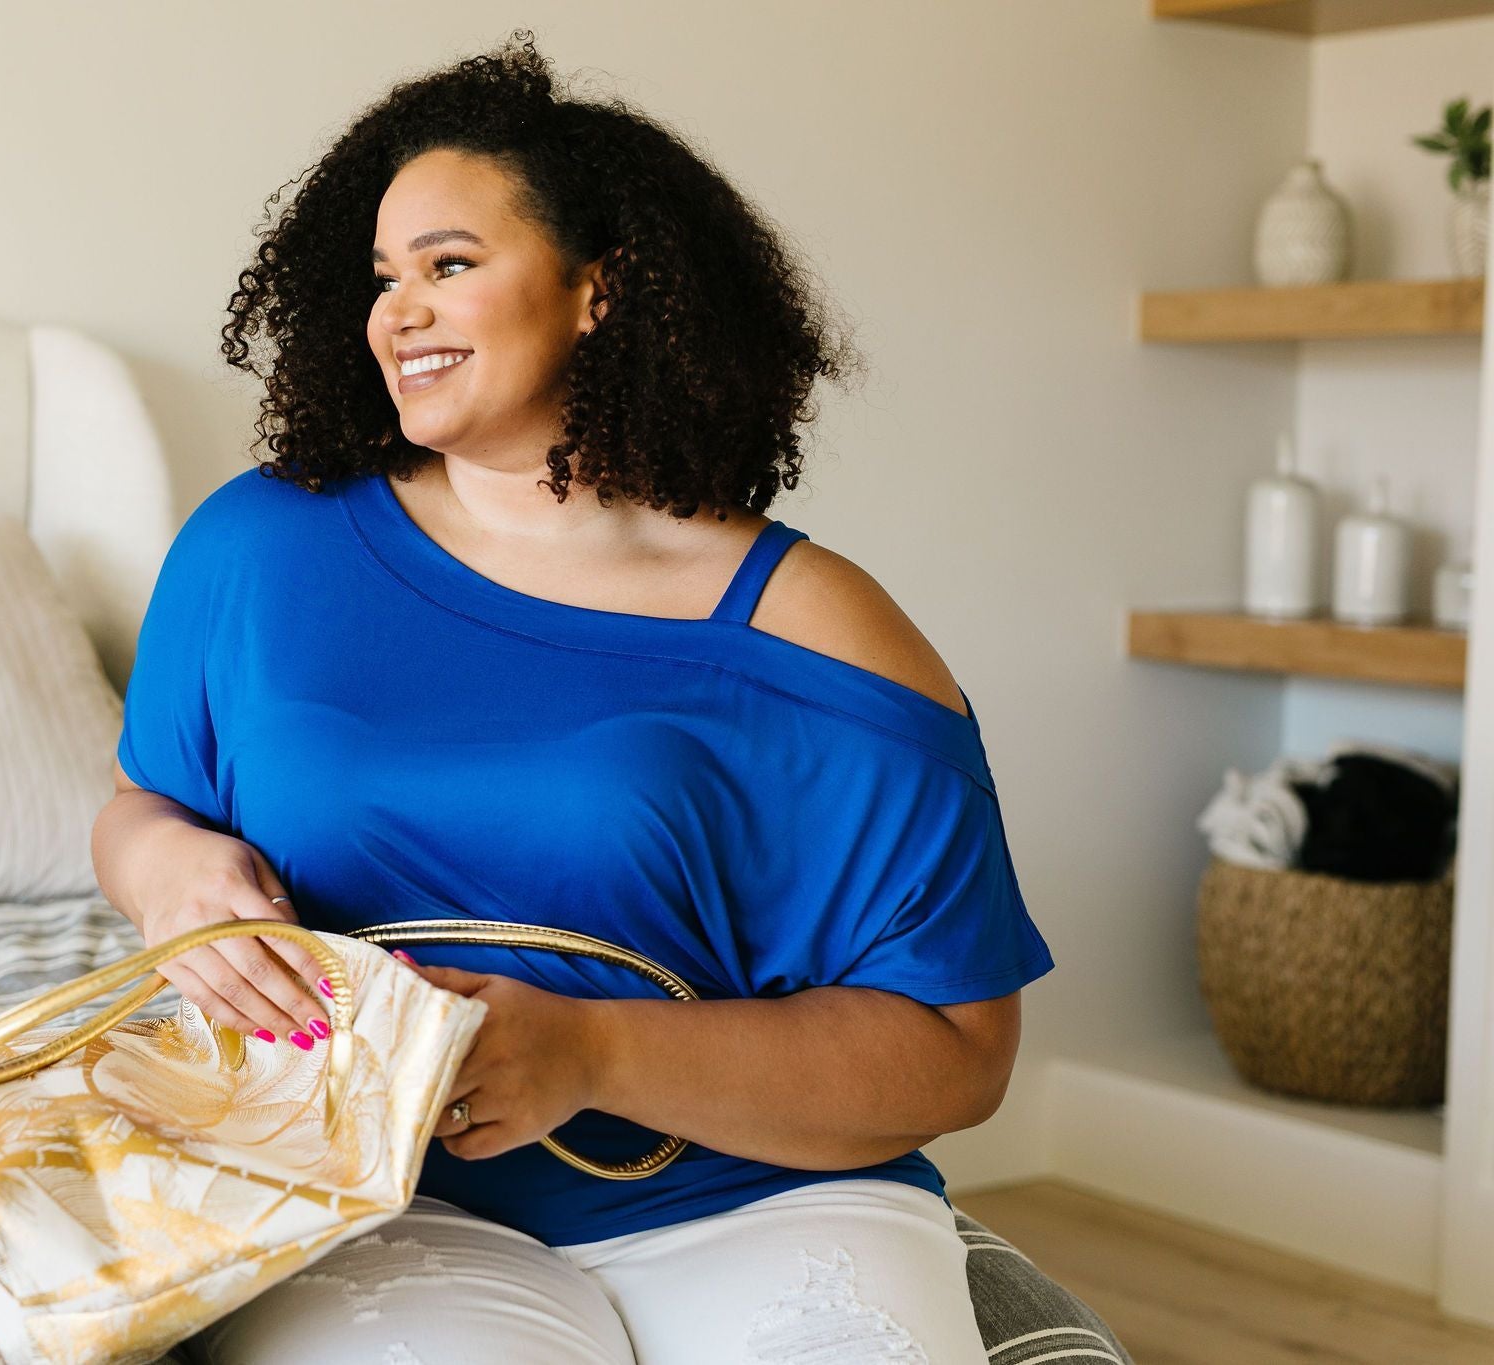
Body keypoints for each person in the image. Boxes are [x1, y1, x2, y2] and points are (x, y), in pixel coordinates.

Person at [91, 30, 1054, 1365]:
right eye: (382, 276)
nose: (396, 311)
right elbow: (143, 807)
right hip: (369, 1193)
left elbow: (957, 1050)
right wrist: (170, 877)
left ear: (599, 291)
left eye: (449, 265)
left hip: (763, 1197)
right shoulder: (258, 547)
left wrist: (594, 1055)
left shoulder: (819, 627)